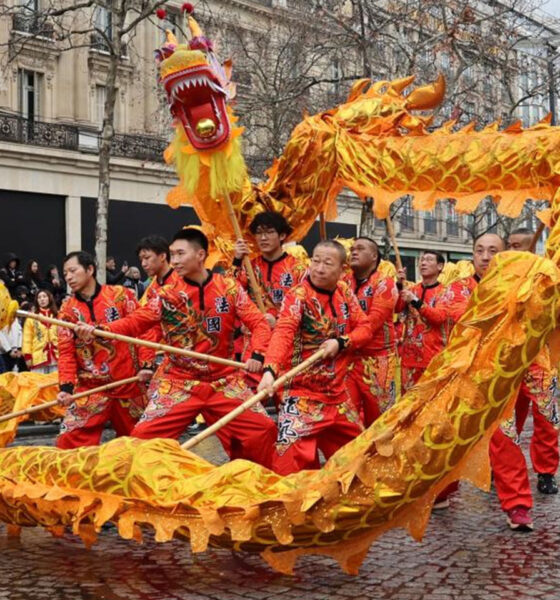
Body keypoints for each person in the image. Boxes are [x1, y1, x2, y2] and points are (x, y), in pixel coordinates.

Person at [79, 228, 277, 468]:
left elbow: (259, 323)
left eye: (180, 254)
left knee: (264, 429)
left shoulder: (229, 288)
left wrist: (257, 354)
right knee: (142, 440)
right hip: (179, 381)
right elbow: (135, 322)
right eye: (172, 254)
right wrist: (100, 330)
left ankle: (252, 478)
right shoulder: (166, 295)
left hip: (224, 380)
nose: (174, 261)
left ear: (200, 255)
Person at [258, 240, 372, 475]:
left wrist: (342, 342)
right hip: (301, 394)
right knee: (287, 466)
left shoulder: (344, 292)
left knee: (360, 461)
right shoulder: (298, 296)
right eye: (315, 261)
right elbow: (283, 331)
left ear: (343, 270)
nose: (319, 269)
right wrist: (269, 371)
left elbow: (366, 328)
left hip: (337, 396)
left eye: (328, 263)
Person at [56, 251, 152, 449]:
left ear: (90, 269)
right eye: (65, 274)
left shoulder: (120, 296)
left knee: (141, 444)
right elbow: (66, 352)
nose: (68, 277)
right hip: (91, 388)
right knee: (68, 442)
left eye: (73, 271)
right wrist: (65, 388)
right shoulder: (67, 311)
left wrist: (147, 365)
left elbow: (143, 330)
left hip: (128, 384)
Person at [346, 237, 398, 425]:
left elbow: (373, 322)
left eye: (360, 249)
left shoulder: (385, 283)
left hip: (378, 360)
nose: (354, 252)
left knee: (380, 421)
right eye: (352, 249)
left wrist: (343, 341)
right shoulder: (342, 282)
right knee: (347, 417)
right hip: (348, 360)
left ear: (374, 256)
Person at [231, 211, 308, 326]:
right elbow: (230, 293)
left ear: (282, 235)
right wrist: (237, 260)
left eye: (270, 232)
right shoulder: (249, 267)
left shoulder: (298, 269)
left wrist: (278, 323)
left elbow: (307, 307)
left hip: (285, 332)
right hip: (255, 331)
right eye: (259, 233)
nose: (263, 238)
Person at [396, 251, 450, 393]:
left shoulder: (445, 292)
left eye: (429, 260)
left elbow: (439, 317)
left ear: (440, 266)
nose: (423, 263)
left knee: (430, 401)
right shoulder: (412, 289)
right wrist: (399, 285)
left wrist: (415, 301)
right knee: (408, 401)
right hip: (409, 358)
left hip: (433, 358)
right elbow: (397, 308)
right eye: (422, 260)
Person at [22, 289, 58, 374]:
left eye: (44, 296)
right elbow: (27, 339)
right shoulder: (31, 318)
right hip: (38, 358)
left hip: (57, 357)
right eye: (39, 297)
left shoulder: (58, 316)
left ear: (49, 298)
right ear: (36, 300)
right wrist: (27, 356)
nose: (42, 299)